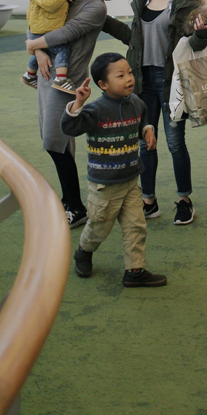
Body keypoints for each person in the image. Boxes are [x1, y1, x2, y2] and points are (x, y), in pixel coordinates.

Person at [102, 0, 207, 225]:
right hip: (141, 80)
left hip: (171, 81)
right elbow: (134, 39)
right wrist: (104, 20)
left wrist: (202, 33)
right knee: (146, 143)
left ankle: (184, 200)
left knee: (175, 143)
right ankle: (148, 201)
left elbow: (194, 45)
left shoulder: (186, 1)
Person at [62, 53, 167, 288]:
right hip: (104, 185)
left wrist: (147, 130)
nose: (129, 78)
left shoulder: (136, 102)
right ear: (103, 84)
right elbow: (70, 127)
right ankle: (84, 251)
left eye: (129, 72)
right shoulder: (96, 110)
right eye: (120, 76)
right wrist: (78, 104)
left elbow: (141, 121)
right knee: (99, 227)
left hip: (130, 181)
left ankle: (135, 271)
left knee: (136, 226)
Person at [26, 0, 115, 228]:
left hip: (65, 82)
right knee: (55, 140)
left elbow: (67, 32)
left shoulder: (96, 7)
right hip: (47, 74)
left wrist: (33, 45)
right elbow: (35, 19)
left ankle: (75, 206)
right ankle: (70, 201)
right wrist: (39, 51)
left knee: (56, 142)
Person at [21, 0, 79, 92]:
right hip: (40, 32)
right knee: (63, 49)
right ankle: (61, 78)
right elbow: (51, 4)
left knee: (43, 50)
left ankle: (30, 74)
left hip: (44, 29)